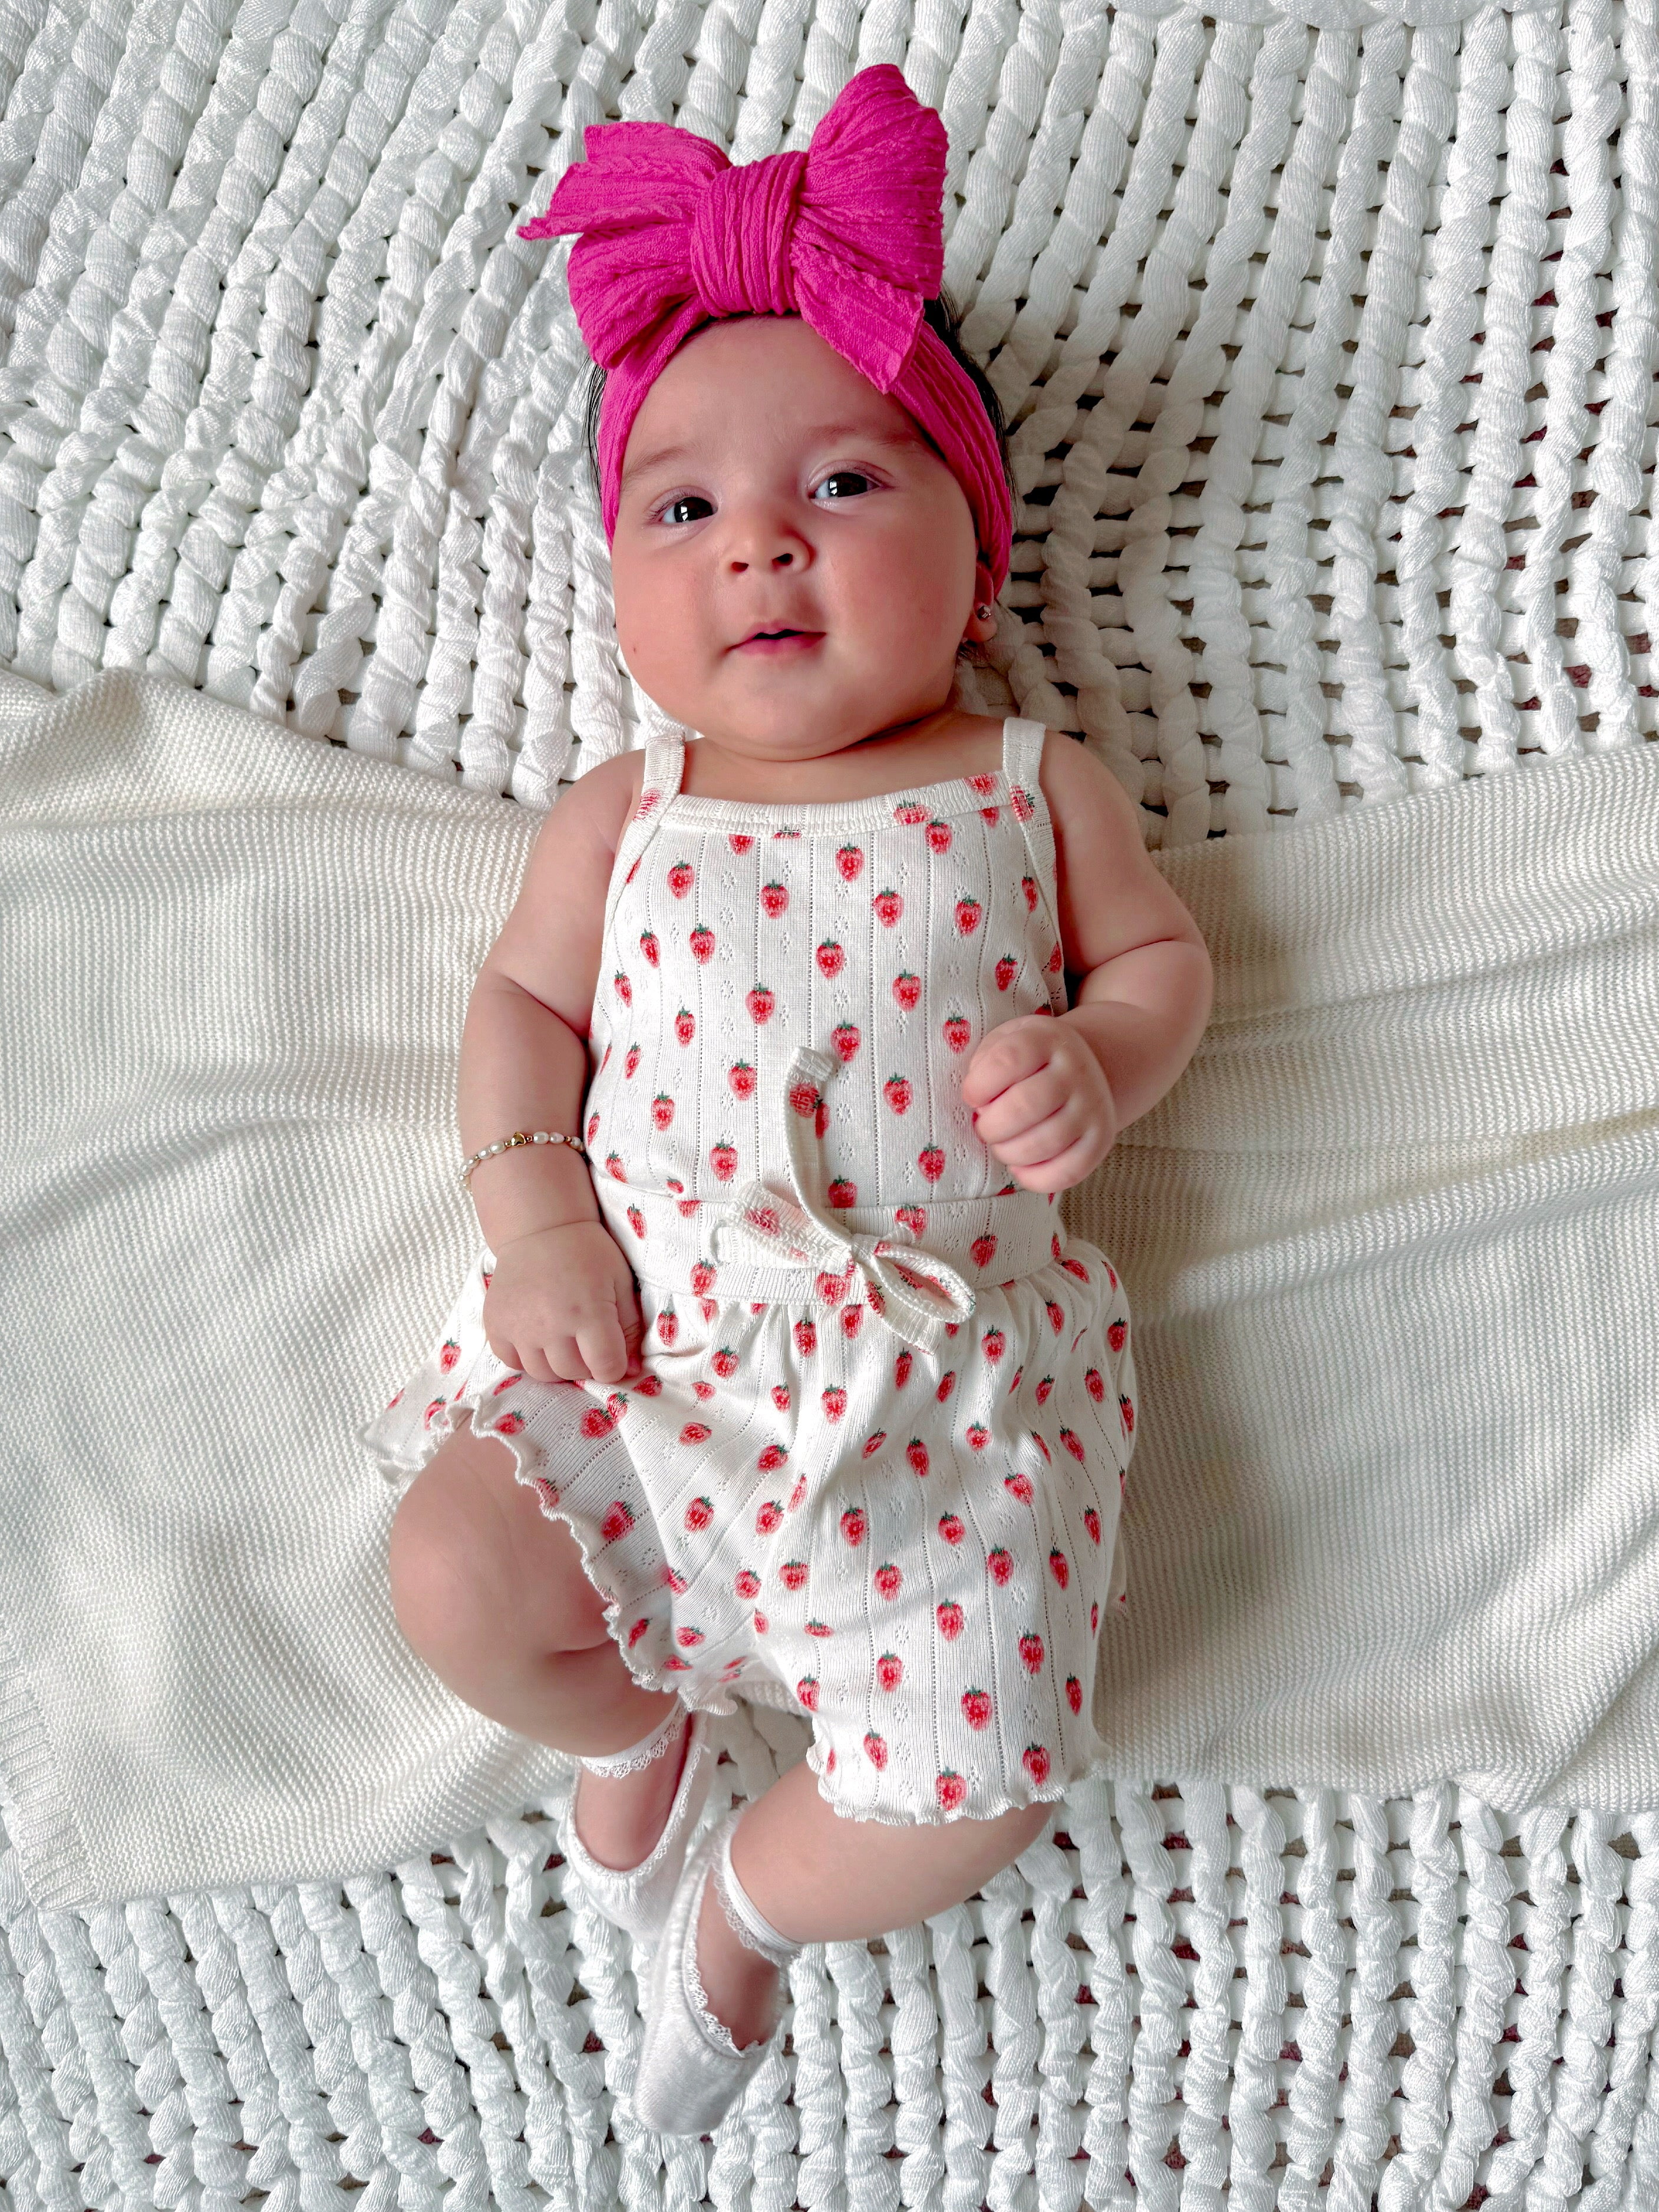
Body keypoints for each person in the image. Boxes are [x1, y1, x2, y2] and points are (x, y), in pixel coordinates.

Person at [364, 63, 1213, 2135]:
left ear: (974, 555)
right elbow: (520, 1017)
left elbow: (1167, 967)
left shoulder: (1028, 787)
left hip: (944, 1407)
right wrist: (539, 1221)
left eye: (844, 486)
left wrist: (1103, 1056)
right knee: (454, 1578)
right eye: (686, 507)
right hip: (650, 1349)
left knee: (984, 1786)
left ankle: (750, 1899)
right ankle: (634, 1699)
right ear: (629, 581)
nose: (760, 543)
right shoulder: (623, 813)